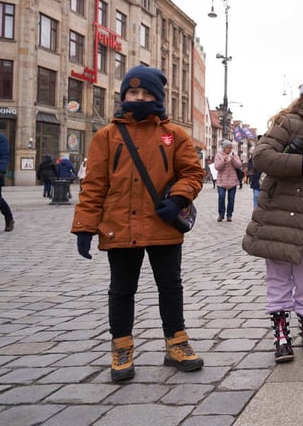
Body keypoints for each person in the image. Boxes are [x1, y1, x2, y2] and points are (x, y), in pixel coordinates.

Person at [71, 66, 205, 382]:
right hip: (119, 225)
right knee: (121, 290)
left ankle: (176, 343)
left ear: (157, 97)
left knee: (170, 287)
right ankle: (121, 348)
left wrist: (178, 199)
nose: (140, 98)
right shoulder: (106, 136)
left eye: (146, 93)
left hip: (163, 224)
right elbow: (94, 184)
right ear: (124, 96)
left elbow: (192, 173)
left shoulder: (175, 135)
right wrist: (85, 226)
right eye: (133, 93)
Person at [242, 65, 303, 363]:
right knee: (279, 279)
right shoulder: (287, 122)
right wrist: (299, 164)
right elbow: (261, 156)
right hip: (280, 216)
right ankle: (281, 333)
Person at [214, 139, 241, 222]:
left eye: (231, 147)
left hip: (232, 181)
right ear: (224, 148)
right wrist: (223, 160)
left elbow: (239, 165)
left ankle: (229, 215)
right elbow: (217, 167)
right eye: (228, 147)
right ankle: (221, 214)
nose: (230, 149)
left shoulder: (234, 155)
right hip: (221, 181)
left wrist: (233, 159)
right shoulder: (218, 155)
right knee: (221, 197)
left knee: (231, 199)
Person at [249, 138, 263, 207]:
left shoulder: (267, 153)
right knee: (256, 196)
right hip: (256, 178)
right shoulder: (253, 155)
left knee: (260, 198)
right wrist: (251, 171)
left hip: (264, 179)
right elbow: (250, 166)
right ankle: (256, 211)